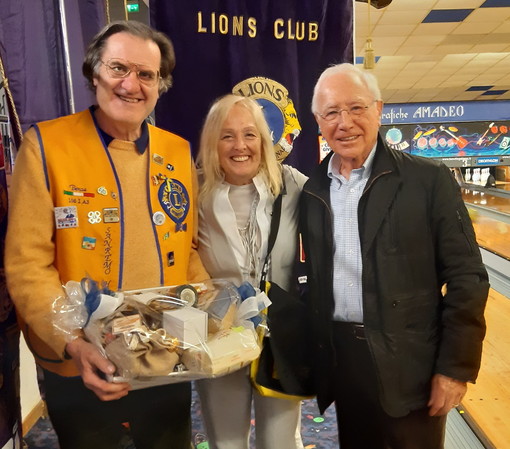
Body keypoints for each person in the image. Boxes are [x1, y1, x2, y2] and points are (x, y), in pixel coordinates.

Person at [5, 20, 208, 449]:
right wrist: (73, 345)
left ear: (160, 85)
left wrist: (209, 308)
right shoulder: (46, 145)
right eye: (118, 68)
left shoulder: (177, 150)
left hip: (162, 351)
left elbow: (186, 248)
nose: (131, 85)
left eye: (146, 74)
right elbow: (27, 265)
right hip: (81, 360)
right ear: (94, 72)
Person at [300, 63, 489, 449]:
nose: (344, 122)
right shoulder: (313, 189)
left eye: (356, 108)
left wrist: (455, 369)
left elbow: (468, 277)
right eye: (331, 112)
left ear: (379, 110)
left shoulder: (428, 180)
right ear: (318, 121)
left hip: (411, 361)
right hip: (344, 361)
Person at [195, 94, 307, 449]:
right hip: (219, 337)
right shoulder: (193, 192)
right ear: (213, 142)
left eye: (249, 134)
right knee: (225, 443)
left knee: (280, 443)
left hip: (280, 338)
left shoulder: (293, 186)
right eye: (227, 136)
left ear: (264, 139)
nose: (239, 146)